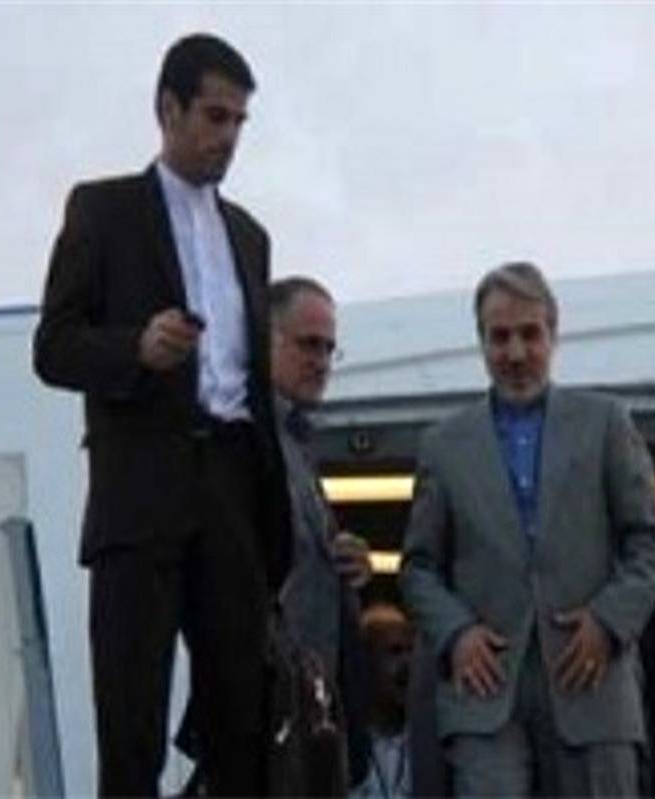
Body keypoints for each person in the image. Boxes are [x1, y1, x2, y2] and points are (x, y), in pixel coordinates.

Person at [33, 33, 288, 796]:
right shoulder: (103, 210)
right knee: (132, 721)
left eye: (239, 121)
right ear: (168, 109)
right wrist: (135, 349)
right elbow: (53, 347)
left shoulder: (250, 236)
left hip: (233, 485)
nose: (228, 136)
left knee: (242, 716)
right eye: (214, 116)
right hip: (141, 489)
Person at [400, 261, 655, 796]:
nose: (516, 353)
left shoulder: (605, 423)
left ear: (553, 335)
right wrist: (456, 633)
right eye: (500, 337)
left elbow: (654, 542)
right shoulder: (444, 445)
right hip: (485, 696)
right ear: (481, 342)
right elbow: (418, 568)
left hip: (592, 685)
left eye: (530, 334)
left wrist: (609, 620)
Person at [267, 276, 376, 790]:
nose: (322, 361)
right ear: (264, 340)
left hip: (312, 704)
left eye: (330, 349)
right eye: (309, 344)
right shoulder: (245, 441)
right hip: (273, 704)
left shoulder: (297, 443)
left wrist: (345, 565)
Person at [351, 603, 414, 799]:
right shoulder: (347, 746)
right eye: (395, 652)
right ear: (366, 662)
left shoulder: (428, 747)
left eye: (411, 651)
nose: (408, 664)